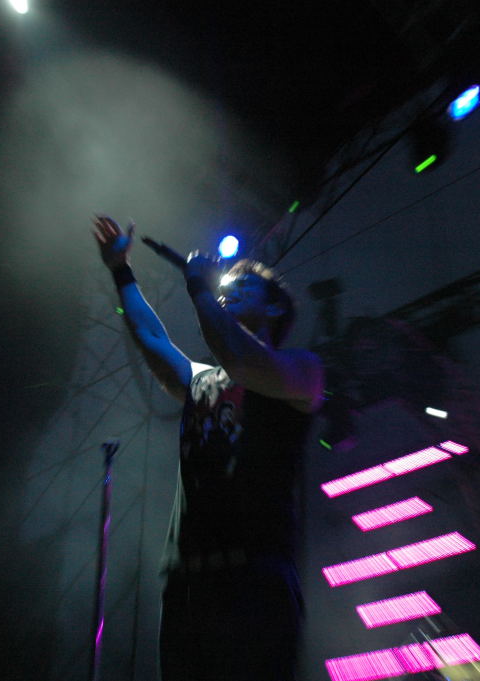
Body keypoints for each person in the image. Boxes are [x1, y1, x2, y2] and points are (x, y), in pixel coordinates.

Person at [92, 215, 324, 681]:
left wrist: (199, 287)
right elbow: (153, 338)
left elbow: (238, 357)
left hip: (255, 582)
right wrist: (122, 272)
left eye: (245, 285)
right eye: (227, 286)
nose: (229, 289)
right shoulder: (202, 380)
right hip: (188, 583)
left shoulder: (301, 371)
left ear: (275, 308)